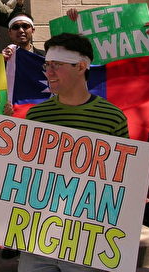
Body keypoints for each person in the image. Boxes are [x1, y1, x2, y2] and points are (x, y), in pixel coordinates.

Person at [19, 33, 128, 272]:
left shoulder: (112, 117)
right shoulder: (36, 116)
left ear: (80, 67)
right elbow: (23, 176)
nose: (48, 72)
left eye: (56, 65)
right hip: (37, 236)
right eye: (47, 65)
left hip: (86, 240)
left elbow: (123, 181)